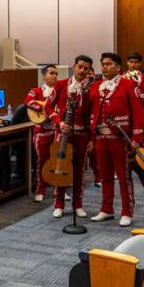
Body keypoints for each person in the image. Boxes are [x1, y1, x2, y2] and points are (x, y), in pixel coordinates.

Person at [89, 52, 144, 227]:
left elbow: (138, 113)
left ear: (118, 67)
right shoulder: (95, 86)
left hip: (121, 138)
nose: (104, 67)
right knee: (104, 175)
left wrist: (137, 137)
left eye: (108, 64)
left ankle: (127, 211)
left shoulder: (129, 85)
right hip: (100, 137)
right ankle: (107, 209)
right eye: (103, 64)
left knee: (123, 176)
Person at [46, 55, 94, 219]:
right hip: (63, 133)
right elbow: (48, 108)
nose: (82, 70)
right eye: (80, 67)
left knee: (79, 171)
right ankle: (58, 204)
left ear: (89, 71)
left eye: (86, 68)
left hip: (81, 135)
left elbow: (92, 114)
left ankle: (78, 204)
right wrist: (59, 122)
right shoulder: (60, 85)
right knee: (60, 168)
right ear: (74, 67)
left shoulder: (90, 88)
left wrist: (91, 138)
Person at [25, 64, 59, 202]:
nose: (55, 76)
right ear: (44, 76)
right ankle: (41, 189)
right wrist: (44, 108)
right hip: (42, 131)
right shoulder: (36, 91)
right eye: (51, 73)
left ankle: (60, 189)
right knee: (41, 162)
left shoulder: (60, 92)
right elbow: (28, 102)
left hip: (56, 131)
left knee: (58, 162)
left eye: (56, 74)